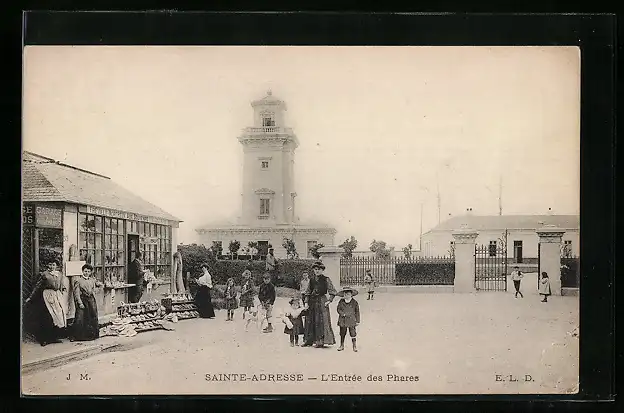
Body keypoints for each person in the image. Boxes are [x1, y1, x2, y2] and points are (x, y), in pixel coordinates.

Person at [25, 260, 68, 346]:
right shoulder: (44, 274)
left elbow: (61, 285)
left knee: (57, 317)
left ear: (56, 266)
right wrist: (30, 297)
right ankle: (44, 339)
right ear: (48, 265)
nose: (52, 266)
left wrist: (63, 289)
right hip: (47, 297)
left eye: (54, 265)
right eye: (50, 264)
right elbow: (37, 287)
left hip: (56, 296)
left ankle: (53, 338)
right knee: (47, 317)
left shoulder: (59, 274)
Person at [302, 261, 337, 348]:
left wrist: (329, 300)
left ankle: (320, 341)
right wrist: (306, 302)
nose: (317, 271)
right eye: (315, 269)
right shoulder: (312, 280)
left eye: (319, 269)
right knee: (310, 320)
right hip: (312, 301)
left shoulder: (326, 279)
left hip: (321, 301)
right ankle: (309, 340)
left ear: (322, 270)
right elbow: (307, 292)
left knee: (321, 320)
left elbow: (332, 291)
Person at [71, 264, 104, 341]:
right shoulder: (78, 281)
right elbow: (76, 293)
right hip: (83, 300)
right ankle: (77, 336)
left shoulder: (92, 280)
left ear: (90, 272)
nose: (86, 273)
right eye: (85, 271)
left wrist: (100, 286)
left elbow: (98, 285)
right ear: (82, 271)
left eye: (88, 271)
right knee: (80, 317)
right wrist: (80, 303)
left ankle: (91, 335)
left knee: (92, 316)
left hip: (91, 300)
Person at [336, 286, 361, 352]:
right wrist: (342, 314)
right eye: (345, 294)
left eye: (348, 294)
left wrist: (358, 321)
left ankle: (354, 346)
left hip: (351, 319)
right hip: (343, 319)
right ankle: (341, 345)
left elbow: (357, 312)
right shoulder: (341, 301)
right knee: (342, 332)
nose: (346, 295)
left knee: (353, 333)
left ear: (351, 295)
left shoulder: (354, 302)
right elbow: (338, 309)